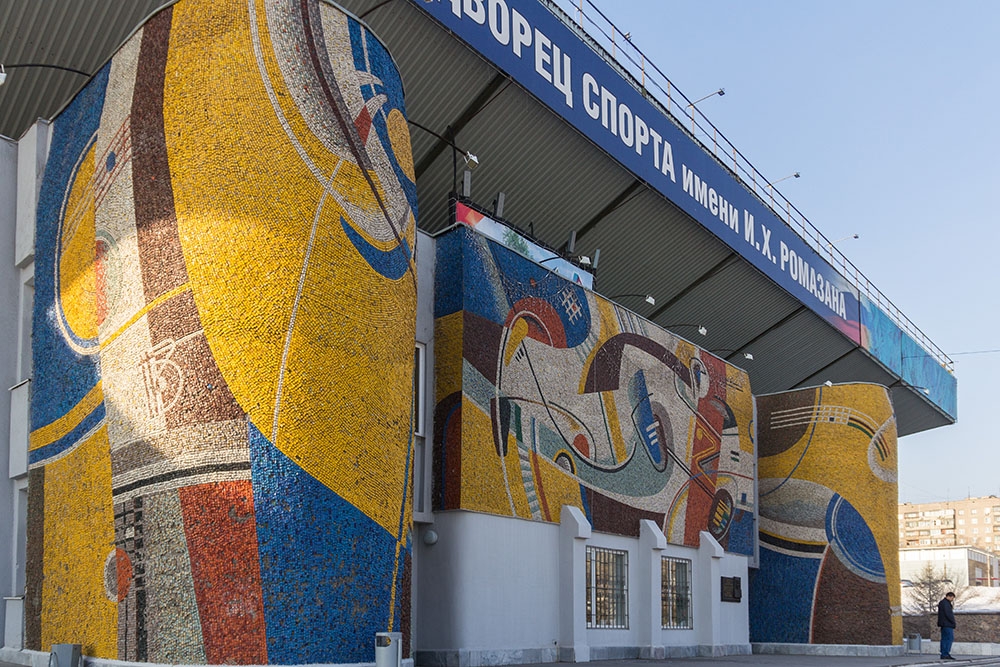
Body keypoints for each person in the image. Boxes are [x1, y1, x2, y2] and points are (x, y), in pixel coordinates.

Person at [937, 591, 957, 660]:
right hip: (947, 624)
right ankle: (946, 653)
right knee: (949, 638)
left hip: (943, 624)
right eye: (952, 598)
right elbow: (948, 614)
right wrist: (953, 622)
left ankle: (943, 653)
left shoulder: (942, 603)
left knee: (944, 639)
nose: (952, 600)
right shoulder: (946, 603)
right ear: (948, 596)